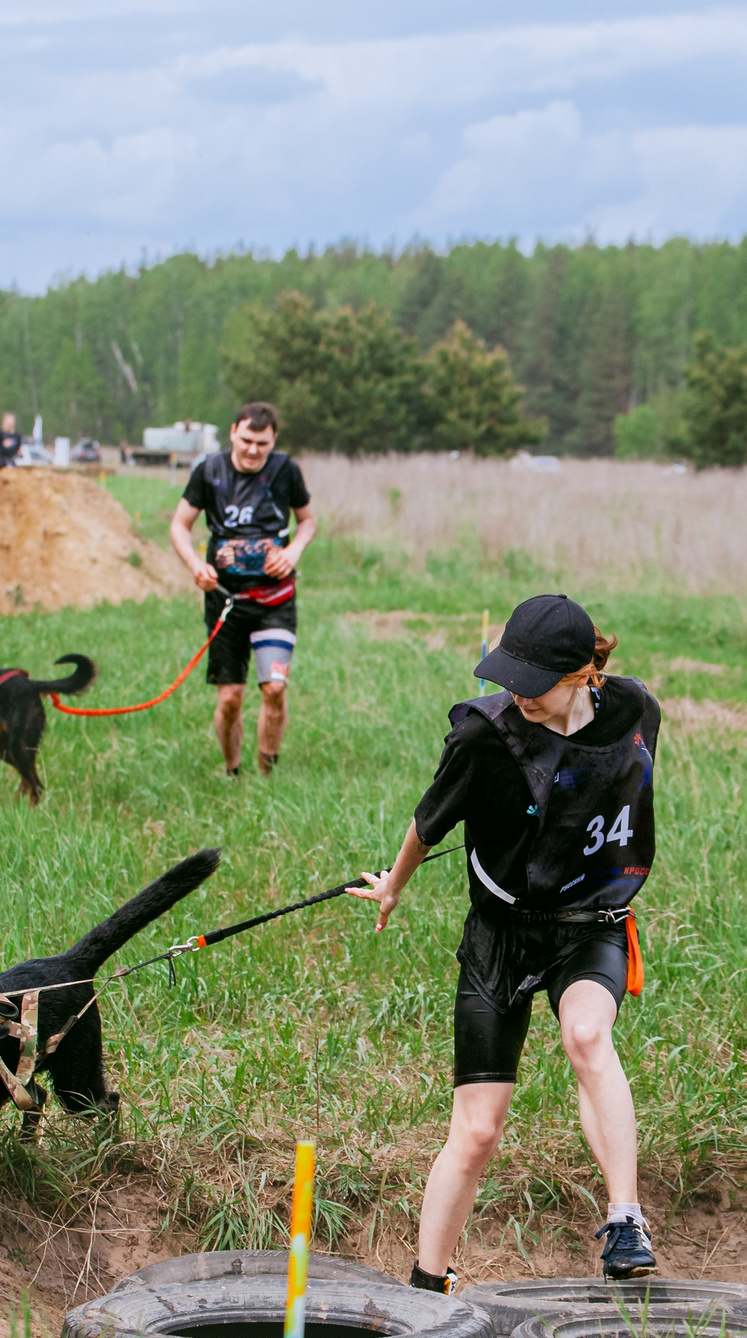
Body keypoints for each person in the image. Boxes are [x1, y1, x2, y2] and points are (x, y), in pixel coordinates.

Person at [349, 594, 661, 1288]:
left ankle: (626, 1221)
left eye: (533, 680)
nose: (515, 692)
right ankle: (429, 1283)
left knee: (586, 1035)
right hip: (499, 935)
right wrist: (394, 887)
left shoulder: (636, 711)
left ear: (584, 672)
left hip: (588, 924)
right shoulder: (484, 735)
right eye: (507, 675)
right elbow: (427, 824)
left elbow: (619, 789)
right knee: (479, 1129)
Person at [168, 402, 317, 777]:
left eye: (262, 444)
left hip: (275, 600)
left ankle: (268, 772)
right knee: (231, 697)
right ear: (233, 431)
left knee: (274, 689)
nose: (253, 450)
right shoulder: (209, 471)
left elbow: (308, 520)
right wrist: (195, 566)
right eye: (247, 440)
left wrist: (293, 551)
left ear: (273, 441)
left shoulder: (286, 471)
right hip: (225, 602)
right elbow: (179, 525)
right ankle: (233, 772)